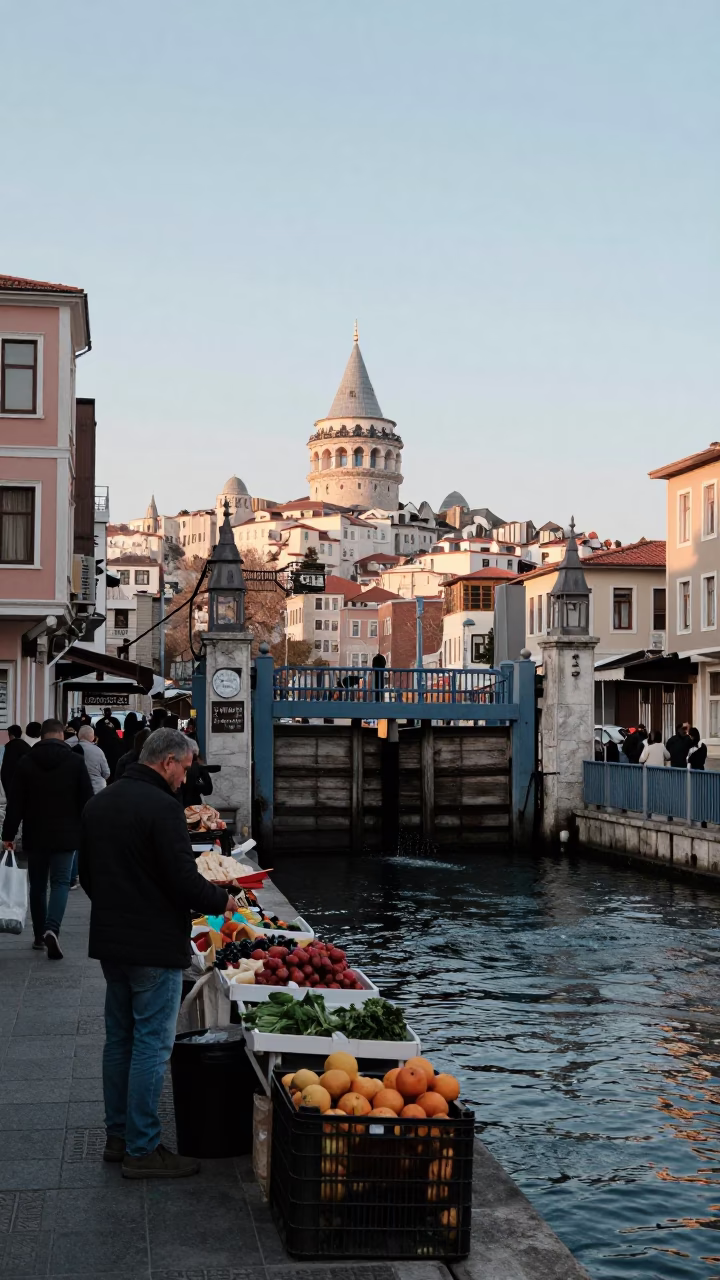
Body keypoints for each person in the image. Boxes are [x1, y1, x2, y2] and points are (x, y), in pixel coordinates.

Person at [79, 727, 237, 1179]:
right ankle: (144, 1148)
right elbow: (183, 879)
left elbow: (87, 874)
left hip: (112, 941)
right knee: (152, 1044)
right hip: (153, 943)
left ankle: (118, 1135)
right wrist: (222, 900)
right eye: (185, 769)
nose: (185, 778)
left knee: (120, 1039)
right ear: (168, 761)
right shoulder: (163, 808)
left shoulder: (99, 802)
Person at [1, 717, 93, 957]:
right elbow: (88, 800)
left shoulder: (26, 762)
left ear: (41, 736)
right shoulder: (75, 761)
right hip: (66, 835)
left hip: (35, 834)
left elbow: (15, 803)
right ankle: (52, 929)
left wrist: (8, 835)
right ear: (62, 735)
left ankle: (39, 936)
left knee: (38, 885)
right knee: (61, 883)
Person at [78, 725, 111, 794]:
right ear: (92, 737)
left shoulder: (73, 749)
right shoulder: (98, 751)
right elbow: (106, 773)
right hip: (97, 788)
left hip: (79, 789)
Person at [0, 725, 30, 797]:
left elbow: (7, 768)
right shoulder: (26, 746)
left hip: (13, 784)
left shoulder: (10, 747)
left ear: (11, 735)